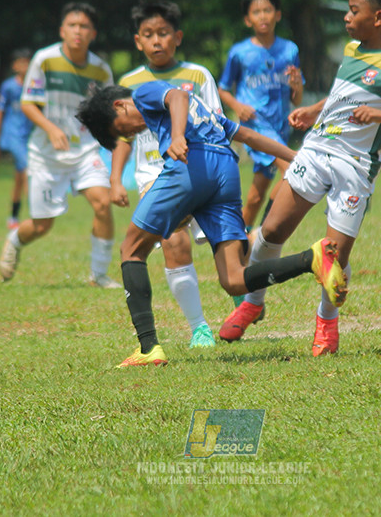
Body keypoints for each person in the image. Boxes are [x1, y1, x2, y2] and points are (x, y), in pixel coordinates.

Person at [219, 0, 381, 356]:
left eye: (354, 10)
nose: (346, 16)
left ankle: (326, 323)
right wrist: (313, 109)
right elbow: (343, 95)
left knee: (335, 256)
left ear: (379, 18)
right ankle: (253, 302)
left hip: (353, 168)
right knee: (271, 230)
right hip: (317, 151)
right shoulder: (354, 50)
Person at [77, 81, 346, 367]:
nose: (130, 133)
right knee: (233, 279)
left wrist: (178, 136)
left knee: (131, 249)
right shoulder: (201, 108)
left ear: (119, 105)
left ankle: (148, 348)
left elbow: (177, 95)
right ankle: (312, 259)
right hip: (225, 171)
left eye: (121, 129)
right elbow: (244, 134)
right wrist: (293, 156)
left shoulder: (142, 93)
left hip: (192, 162)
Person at [111, 0, 220, 348]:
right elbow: (124, 137)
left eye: (163, 33)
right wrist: (115, 179)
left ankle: (243, 298)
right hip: (154, 176)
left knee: (230, 250)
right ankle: (199, 327)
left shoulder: (198, 76)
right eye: (148, 34)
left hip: (200, 171)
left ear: (178, 36)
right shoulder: (129, 82)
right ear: (137, 41)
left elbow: (216, 124)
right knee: (173, 240)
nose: (156, 40)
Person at [0, 3, 120, 288]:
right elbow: (28, 104)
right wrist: (51, 129)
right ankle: (15, 240)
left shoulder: (101, 71)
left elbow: (105, 113)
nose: (78, 31)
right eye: (73, 25)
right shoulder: (45, 59)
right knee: (42, 225)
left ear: (93, 33)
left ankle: (99, 275)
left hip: (85, 150)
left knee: (102, 204)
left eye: (84, 26)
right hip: (46, 154)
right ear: (62, 30)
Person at [219, 0, 303, 235]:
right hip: (254, 125)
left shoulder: (290, 50)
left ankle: (239, 238)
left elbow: (296, 99)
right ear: (248, 19)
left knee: (256, 195)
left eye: (268, 10)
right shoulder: (239, 53)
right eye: (256, 12)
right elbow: (223, 89)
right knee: (292, 168)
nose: (263, 16)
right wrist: (237, 106)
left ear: (278, 14)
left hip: (279, 126)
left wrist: (296, 85)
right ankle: (265, 231)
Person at [0, 48, 33, 229]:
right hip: (13, 135)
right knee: (29, 169)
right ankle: (36, 214)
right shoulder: (8, 86)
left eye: (27, 62)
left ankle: (13, 217)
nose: (25, 66)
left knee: (19, 176)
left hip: (29, 134)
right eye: (21, 62)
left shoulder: (35, 85)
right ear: (14, 66)